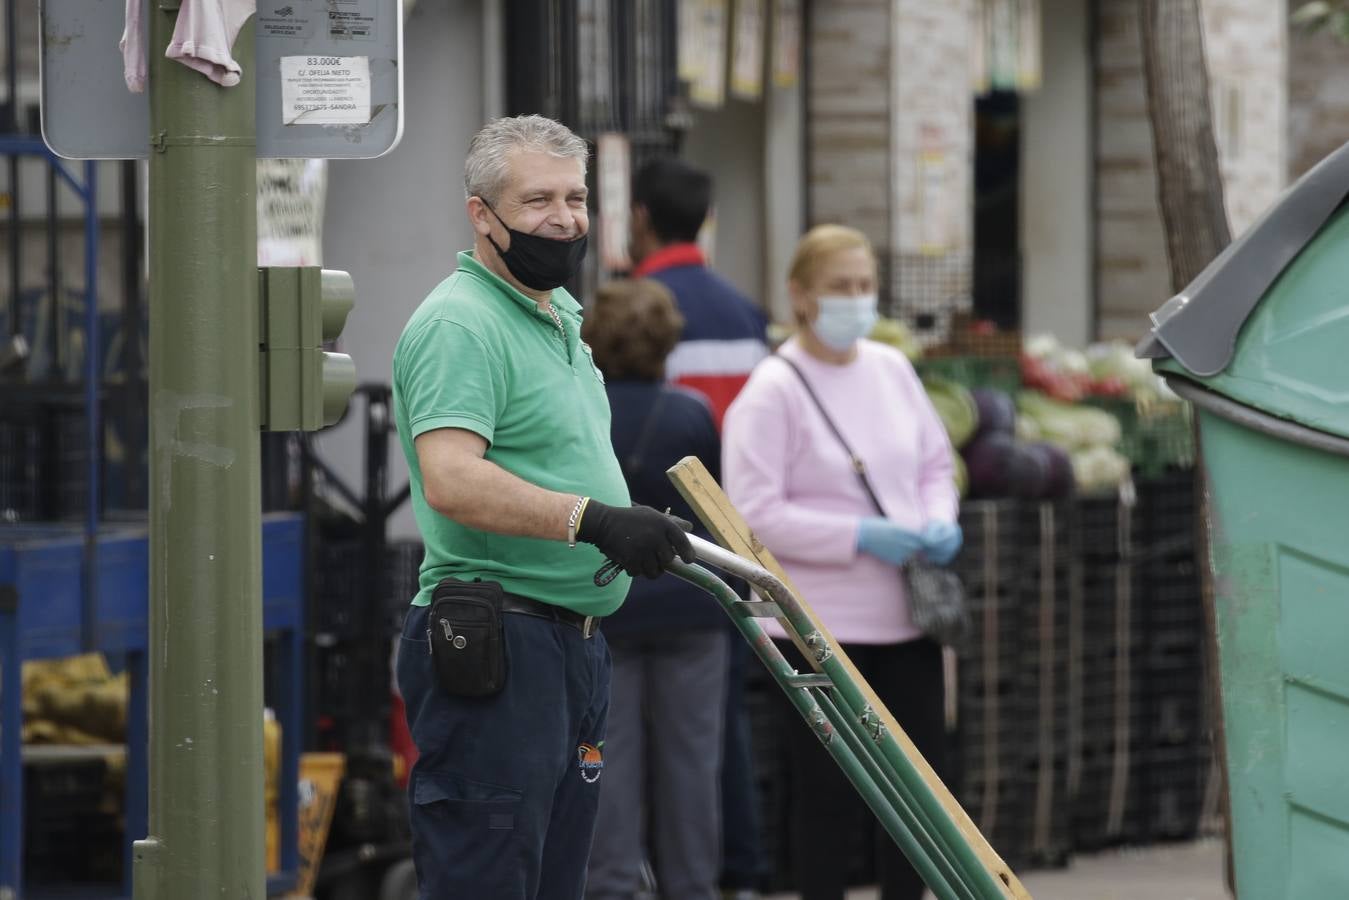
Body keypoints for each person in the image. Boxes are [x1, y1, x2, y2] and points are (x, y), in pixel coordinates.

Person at [391, 115, 695, 900]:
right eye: (537, 201)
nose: (563, 220)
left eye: (575, 198)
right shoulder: (462, 323)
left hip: (568, 643)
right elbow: (451, 478)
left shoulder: (554, 314)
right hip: (501, 646)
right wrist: (594, 522)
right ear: (481, 215)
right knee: (487, 879)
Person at [721, 225, 963, 900]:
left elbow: (935, 463)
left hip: (907, 622)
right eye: (840, 287)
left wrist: (939, 516)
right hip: (814, 632)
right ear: (799, 296)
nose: (856, 301)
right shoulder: (773, 390)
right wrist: (857, 535)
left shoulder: (891, 369)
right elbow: (753, 515)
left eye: (864, 286)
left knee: (917, 802)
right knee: (825, 800)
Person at [629, 157, 769, 896]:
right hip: (727, 545)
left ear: (642, 217)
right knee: (713, 736)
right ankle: (733, 870)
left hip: (647, 544)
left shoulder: (640, 310)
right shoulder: (745, 314)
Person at [581, 278, 728, 900]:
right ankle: (693, 886)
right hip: (691, 608)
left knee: (606, 766)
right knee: (691, 766)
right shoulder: (691, 413)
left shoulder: (585, 409)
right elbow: (719, 514)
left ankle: (613, 885)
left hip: (606, 609)